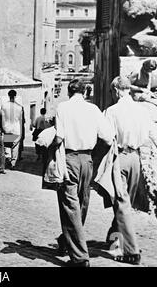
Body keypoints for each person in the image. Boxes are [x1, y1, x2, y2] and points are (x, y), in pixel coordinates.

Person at [105, 77, 157, 265]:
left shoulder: (112, 111)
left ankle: (131, 251)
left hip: (119, 158)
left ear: (116, 91)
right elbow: (155, 137)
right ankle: (114, 234)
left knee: (122, 202)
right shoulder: (142, 111)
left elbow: (107, 139)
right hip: (136, 160)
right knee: (125, 202)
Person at [53, 79, 114, 267]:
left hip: (70, 158)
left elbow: (59, 138)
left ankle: (80, 258)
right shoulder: (94, 110)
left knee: (70, 206)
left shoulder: (62, 108)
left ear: (69, 92)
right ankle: (66, 241)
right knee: (81, 202)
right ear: (85, 92)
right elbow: (108, 138)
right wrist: (94, 157)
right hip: (87, 160)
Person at [1, 90, 24, 170]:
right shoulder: (19, 107)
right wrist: (21, 132)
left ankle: (8, 159)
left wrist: (3, 128)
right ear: (15, 96)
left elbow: (2, 119)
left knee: (7, 145)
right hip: (16, 129)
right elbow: (21, 120)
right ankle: (13, 163)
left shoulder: (4, 106)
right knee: (15, 147)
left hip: (7, 128)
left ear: (8, 95)